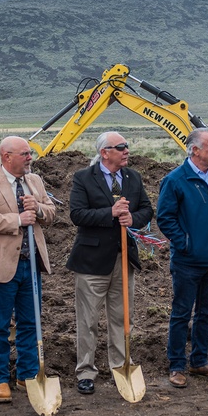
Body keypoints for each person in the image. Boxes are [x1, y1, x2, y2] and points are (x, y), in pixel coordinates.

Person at [0, 136, 57, 403]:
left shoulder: (35, 181)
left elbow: (52, 213)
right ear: (7, 156)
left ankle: (27, 374)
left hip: (31, 264)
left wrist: (39, 210)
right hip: (1, 265)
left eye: (29, 153)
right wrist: (17, 219)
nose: (30, 157)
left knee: (30, 322)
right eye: (25, 154)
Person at [66, 132, 154, 395]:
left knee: (122, 317)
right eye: (121, 147)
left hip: (124, 258)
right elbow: (77, 214)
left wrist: (133, 219)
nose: (127, 151)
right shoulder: (83, 177)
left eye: (127, 146)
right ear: (105, 152)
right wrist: (111, 213)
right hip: (91, 261)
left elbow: (147, 210)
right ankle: (86, 371)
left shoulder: (133, 177)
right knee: (88, 320)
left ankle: (121, 365)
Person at [156, 128, 208, 388]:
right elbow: (165, 218)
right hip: (187, 261)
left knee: (206, 312)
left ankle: (200, 360)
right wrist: (185, 243)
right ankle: (177, 365)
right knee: (181, 313)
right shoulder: (176, 180)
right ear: (195, 150)